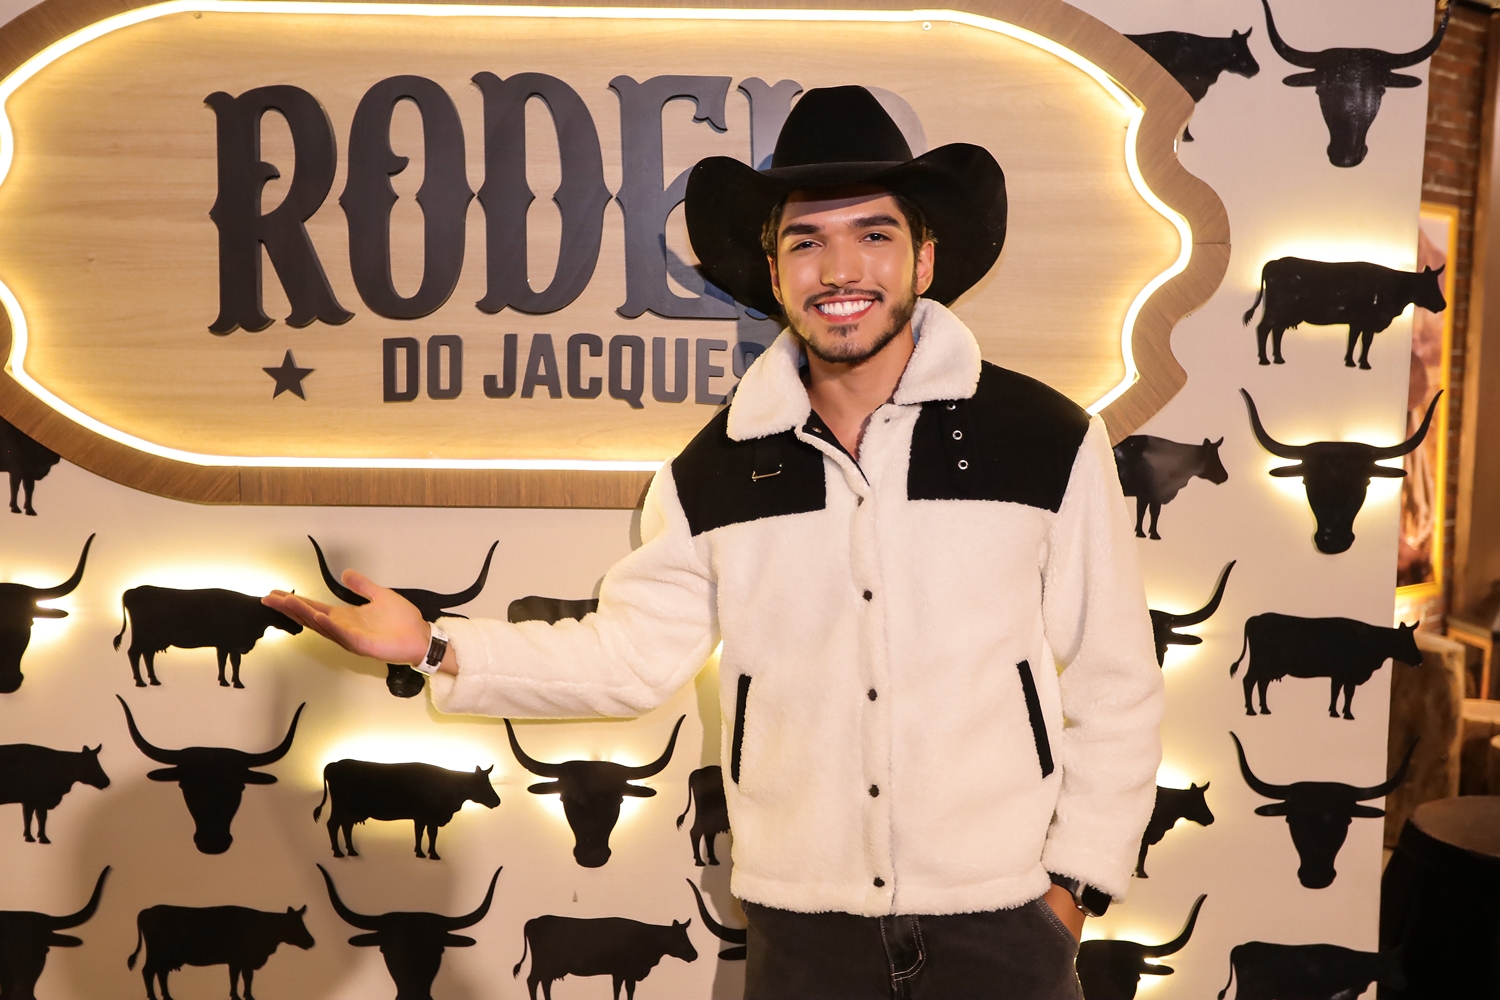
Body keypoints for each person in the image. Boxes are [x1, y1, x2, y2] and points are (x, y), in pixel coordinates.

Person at [265, 86, 1163, 1000]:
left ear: (924, 258)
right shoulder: (715, 469)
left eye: (873, 234)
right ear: (774, 272)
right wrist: (433, 644)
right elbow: (627, 658)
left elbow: (1116, 681)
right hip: (803, 936)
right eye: (806, 241)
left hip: (1006, 926)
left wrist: (1073, 890)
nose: (839, 269)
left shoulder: (1047, 438)